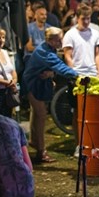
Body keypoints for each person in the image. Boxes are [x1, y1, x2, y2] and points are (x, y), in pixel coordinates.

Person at [23, 27, 79, 163]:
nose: (61, 42)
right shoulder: (44, 52)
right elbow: (59, 66)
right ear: (50, 40)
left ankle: (34, 141)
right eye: (59, 40)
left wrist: (50, 73)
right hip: (33, 84)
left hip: (37, 84)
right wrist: (78, 75)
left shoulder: (48, 48)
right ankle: (41, 152)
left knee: (36, 113)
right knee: (41, 115)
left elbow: (52, 68)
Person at [63, 4, 99, 157]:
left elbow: (97, 53)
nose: (86, 22)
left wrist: (98, 71)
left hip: (92, 73)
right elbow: (68, 55)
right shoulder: (70, 35)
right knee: (78, 112)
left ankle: (94, 141)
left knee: (94, 111)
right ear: (77, 18)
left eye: (88, 18)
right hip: (78, 75)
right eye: (83, 19)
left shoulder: (95, 33)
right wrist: (74, 73)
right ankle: (79, 144)